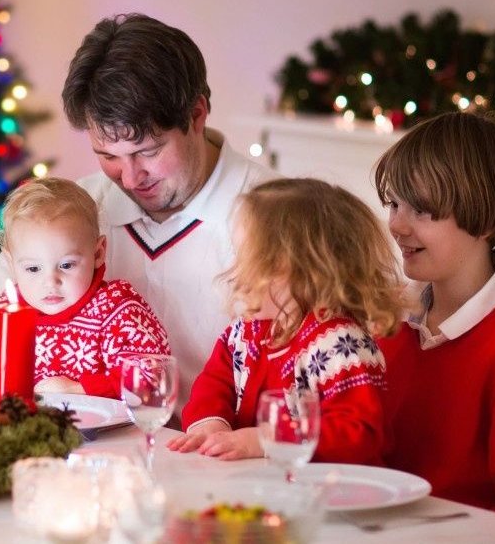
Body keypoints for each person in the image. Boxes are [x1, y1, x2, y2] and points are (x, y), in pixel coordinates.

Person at [0, 13, 275, 404]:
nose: (131, 178)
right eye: (108, 155)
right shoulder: (79, 207)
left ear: (197, 115)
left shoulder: (277, 217)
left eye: (148, 152)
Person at [375, 112, 495, 524]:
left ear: (487, 220)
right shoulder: (390, 321)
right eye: (395, 204)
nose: (396, 224)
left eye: (422, 210)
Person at [168, 178, 400, 462]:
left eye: (252, 262)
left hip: (328, 493)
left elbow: (358, 433)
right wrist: (210, 423)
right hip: (259, 484)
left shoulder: (340, 344)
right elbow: (214, 382)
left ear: (308, 272)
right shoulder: (248, 331)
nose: (235, 273)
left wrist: (268, 439)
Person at [0, 177, 170, 398]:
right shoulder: (11, 307)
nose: (50, 281)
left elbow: (151, 374)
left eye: (66, 265)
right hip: (26, 427)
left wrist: (79, 389)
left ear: (98, 253)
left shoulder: (116, 307)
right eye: (33, 269)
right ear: (11, 262)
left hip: (108, 430)